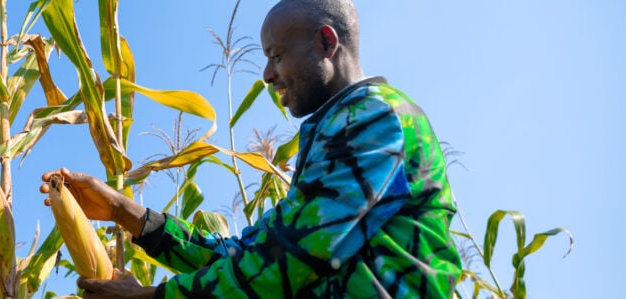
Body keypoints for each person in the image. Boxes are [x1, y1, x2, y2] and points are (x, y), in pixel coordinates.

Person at [39, 0, 462, 297]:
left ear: (326, 42)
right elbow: (246, 254)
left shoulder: (373, 119)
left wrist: (153, 297)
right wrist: (123, 212)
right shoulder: (342, 128)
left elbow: (288, 258)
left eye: (276, 55)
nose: (265, 74)